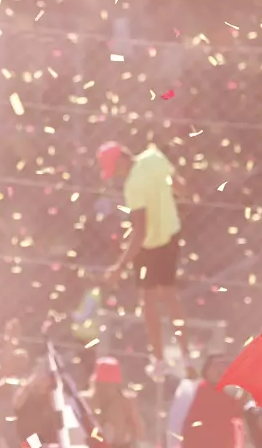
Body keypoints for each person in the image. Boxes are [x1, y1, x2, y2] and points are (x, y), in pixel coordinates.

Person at [98, 141, 192, 377]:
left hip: (149, 245)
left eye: (115, 169)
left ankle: (159, 359)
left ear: (122, 159)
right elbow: (181, 188)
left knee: (148, 299)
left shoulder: (132, 186)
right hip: (170, 233)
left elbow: (140, 232)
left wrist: (119, 267)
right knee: (170, 295)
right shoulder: (154, 156)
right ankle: (185, 353)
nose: (116, 175)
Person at [179, 353, 245, 448]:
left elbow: (235, 411)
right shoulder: (203, 390)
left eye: (223, 365)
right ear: (207, 370)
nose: (220, 369)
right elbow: (233, 411)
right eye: (215, 365)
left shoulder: (220, 392)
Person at [81, 356, 144, 448]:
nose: (104, 389)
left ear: (116, 384)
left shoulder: (125, 402)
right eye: (101, 384)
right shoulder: (85, 401)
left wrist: (131, 413)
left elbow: (139, 433)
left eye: (108, 385)